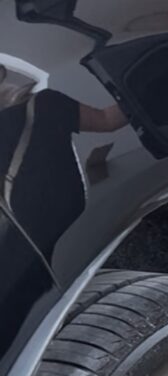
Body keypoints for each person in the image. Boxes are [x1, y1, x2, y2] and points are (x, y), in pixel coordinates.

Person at [0, 65, 127, 249]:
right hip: (70, 221)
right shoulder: (46, 103)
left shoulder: (43, 105)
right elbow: (108, 120)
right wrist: (150, 91)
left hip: (30, 235)